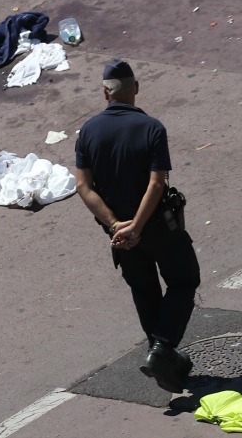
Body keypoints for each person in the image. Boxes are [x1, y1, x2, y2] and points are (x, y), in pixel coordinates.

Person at [74, 59, 201, 393]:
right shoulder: (152, 128)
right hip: (157, 227)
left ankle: (163, 358)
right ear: (136, 89)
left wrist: (118, 226)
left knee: (144, 290)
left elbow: (84, 187)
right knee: (184, 280)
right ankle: (161, 349)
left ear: (105, 93)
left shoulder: (88, 131)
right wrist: (138, 225)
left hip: (119, 236)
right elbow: (156, 184)